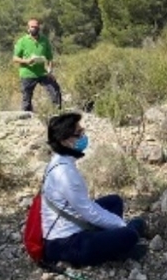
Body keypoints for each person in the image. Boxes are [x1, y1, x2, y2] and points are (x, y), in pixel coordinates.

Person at [41, 113, 147, 266]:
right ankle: (118, 244)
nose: (84, 137)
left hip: (72, 227)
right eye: (79, 134)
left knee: (114, 201)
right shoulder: (65, 173)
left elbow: (86, 207)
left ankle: (113, 240)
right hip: (64, 244)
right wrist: (121, 224)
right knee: (130, 233)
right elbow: (90, 213)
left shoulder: (60, 162)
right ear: (65, 141)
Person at [13, 18, 62, 112]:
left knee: (55, 90)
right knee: (26, 98)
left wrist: (50, 70)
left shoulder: (45, 40)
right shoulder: (22, 41)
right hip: (28, 73)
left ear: (39, 28)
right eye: (32, 27)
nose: (34, 28)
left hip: (43, 72)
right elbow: (15, 58)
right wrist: (27, 61)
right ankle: (26, 118)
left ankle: (57, 113)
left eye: (36, 27)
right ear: (28, 28)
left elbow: (50, 57)